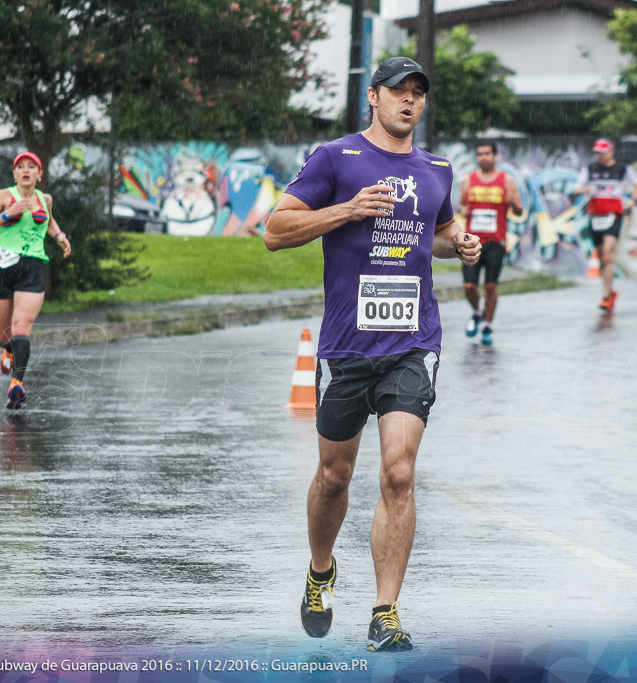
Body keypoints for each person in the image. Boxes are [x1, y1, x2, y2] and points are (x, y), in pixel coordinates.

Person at [264, 56, 481, 652]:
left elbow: (435, 233)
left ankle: (385, 613)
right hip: (346, 344)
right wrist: (348, 210)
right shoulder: (336, 158)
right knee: (335, 477)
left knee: (399, 471)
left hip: (413, 341)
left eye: (418, 94)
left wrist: (457, 243)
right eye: (398, 92)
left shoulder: (436, 168)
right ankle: (320, 570)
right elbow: (275, 230)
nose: (409, 102)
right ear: (374, 99)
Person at [0, 152, 71, 409]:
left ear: (40, 175)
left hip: (32, 266)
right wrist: (8, 214)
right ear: (14, 174)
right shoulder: (4, 197)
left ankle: (16, 384)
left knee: (21, 326)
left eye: (32, 167)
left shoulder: (45, 199)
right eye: (20, 167)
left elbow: (48, 221)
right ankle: (7, 350)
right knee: (1, 334)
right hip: (2, 264)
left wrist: (60, 236)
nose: (26, 170)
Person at [458, 141, 523, 345]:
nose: (483, 157)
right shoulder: (468, 180)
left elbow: (519, 210)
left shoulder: (507, 180)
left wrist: (514, 203)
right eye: (479, 154)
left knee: (490, 287)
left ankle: (487, 325)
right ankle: (478, 312)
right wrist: (463, 210)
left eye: (487, 153)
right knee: (469, 286)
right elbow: (460, 205)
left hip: (496, 242)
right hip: (472, 242)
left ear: (495, 156)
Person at [575, 138, 637, 311]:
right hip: (595, 216)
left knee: (608, 256)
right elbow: (577, 188)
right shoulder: (590, 169)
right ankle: (610, 292)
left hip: (614, 215)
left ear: (611, 152)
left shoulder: (622, 169)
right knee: (602, 258)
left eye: (602, 153)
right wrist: (584, 190)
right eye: (596, 153)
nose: (599, 156)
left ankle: (605, 296)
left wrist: (632, 200)